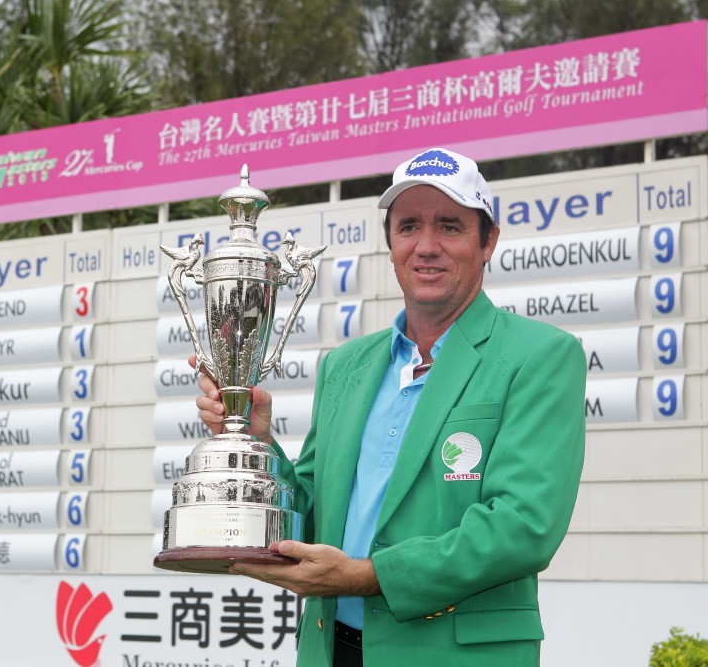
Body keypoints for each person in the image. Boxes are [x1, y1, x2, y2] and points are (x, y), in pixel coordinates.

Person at [194, 147, 586, 666]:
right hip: (331, 650)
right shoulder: (346, 365)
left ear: (488, 240)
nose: (426, 247)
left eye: (449, 226)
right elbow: (313, 513)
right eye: (408, 227)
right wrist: (260, 443)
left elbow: (522, 527)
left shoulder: (539, 356)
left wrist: (366, 576)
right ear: (390, 243)